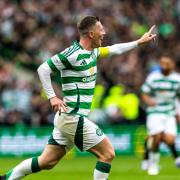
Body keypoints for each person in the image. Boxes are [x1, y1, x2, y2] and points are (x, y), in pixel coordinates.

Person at [0, 16, 156, 180]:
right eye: (100, 29)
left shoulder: (92, 53)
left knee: (46, 162)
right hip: (72, 118)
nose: (104, 33)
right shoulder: (72, 54)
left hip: (67, 118)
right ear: (91, 34)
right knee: (107, 153)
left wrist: (138, 42)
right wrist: (52, 97)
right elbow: (43, 69)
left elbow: (115, 49)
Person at [141, 56, 180, 175]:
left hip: (169, 112)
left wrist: (178, 111)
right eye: (162, 66)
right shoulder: (153, 77)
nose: (164, 68)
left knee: (169, 140)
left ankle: (147, 154)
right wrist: (148, 101)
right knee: (156, 136)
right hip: (155, 111)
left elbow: (178, 96)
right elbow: (145, 92)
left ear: (171, 67)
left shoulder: (176, 79)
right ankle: (153, 165)